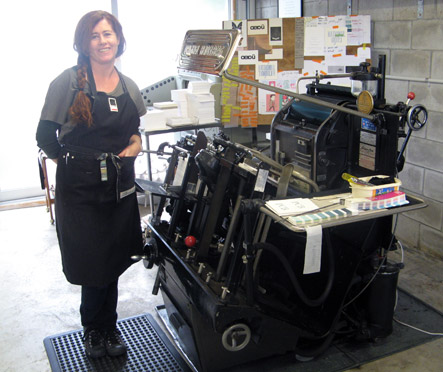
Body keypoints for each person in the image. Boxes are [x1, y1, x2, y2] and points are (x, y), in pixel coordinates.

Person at [36, 10, 147, 359]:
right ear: (85, 43)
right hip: (79, 190)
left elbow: (134, 132)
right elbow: (44, 136)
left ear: (119, 39)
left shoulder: (129, 86)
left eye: (109, 34)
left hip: (117, 187)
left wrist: (136, 145)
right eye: (96, 35)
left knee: (113, 258)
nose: (104, 41)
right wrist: (71, 164)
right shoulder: (67, 83)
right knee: (91, 260)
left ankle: (109, 327)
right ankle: (92, 331)